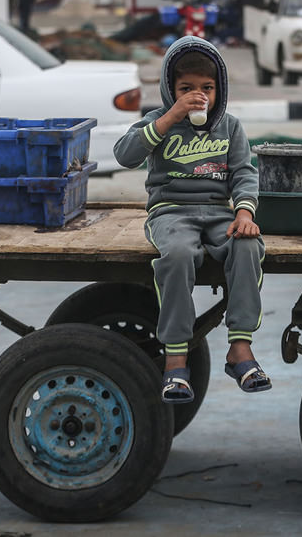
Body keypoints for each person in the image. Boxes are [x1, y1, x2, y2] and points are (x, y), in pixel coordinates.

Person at [113, 36, 271, 404]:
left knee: (249, 246)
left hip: (219, 212)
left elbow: (244, 173)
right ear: (170, 90)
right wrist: (171, 116)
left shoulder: (230, 127)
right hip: (171, 212)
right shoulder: (159, 122)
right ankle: (176, 361)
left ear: (219, 90)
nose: (197, 96)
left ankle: (240, 349)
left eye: (206, 88)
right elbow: (125, 155)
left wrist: (245, 212)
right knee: (179, 255)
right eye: (186, 89)